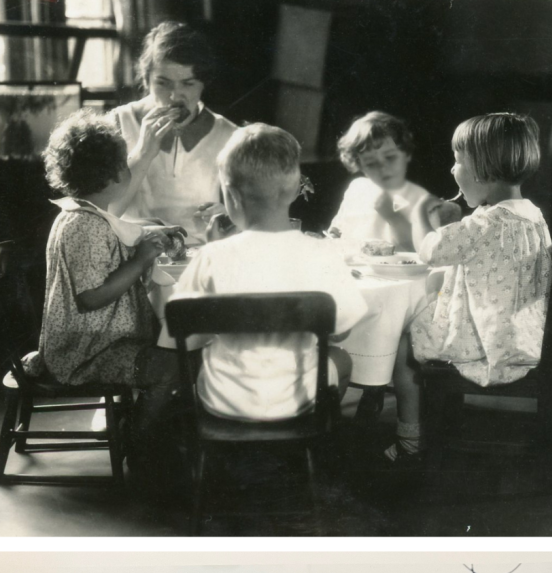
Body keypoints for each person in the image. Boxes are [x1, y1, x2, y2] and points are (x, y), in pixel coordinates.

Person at [401, 113, 552, 465]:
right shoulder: (531, 214)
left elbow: (431, 252)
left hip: (490, 347)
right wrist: (454, 221)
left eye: (458, 160)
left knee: (406, 335)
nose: (452, 170)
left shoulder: (485, 222)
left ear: (482, 170)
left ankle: (412, 439)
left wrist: (420, 217)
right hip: (535, 339)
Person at [171, 124, 367, 422]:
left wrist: (216, 252)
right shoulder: (322, 253)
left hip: (223, 399)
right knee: (341, 358)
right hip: (296, 398)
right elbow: (342, 329)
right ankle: (309, 439)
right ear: (295, 188)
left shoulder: (211, 255)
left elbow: (186, 327)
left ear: (231, 196)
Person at [37, 111, 180, 392]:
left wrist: (149, 233)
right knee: (174, 368)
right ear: (115, 173)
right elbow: (91, 298)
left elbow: (115, 233)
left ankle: (136, 424)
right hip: (89, 352)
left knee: (174, 357)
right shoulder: (84, 227)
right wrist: (140, 261)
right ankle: (136, 433)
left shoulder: (82, 214)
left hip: (99, 341)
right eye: (125, 163)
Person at [110, 21, 240, 238]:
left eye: (188, 84)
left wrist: (230, 217)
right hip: (132, 255)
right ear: (146, 79)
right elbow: (103, 214)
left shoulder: (230, 136)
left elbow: (248, 219)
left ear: (203, 84)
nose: (174, 97)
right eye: (163, 83)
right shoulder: (117, 124)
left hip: (199, 258)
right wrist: (143, 153)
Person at [327, 111, 459, 251]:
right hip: (356, 270)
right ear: (359, 164)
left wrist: (393, 218)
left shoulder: (419, 199)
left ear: (406, 154)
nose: (382, 168)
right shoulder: (357, 188)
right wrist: (333, 235)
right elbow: (338, 228)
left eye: (390, 157)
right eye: (371, 163)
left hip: (399, 272)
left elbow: (427, 251)